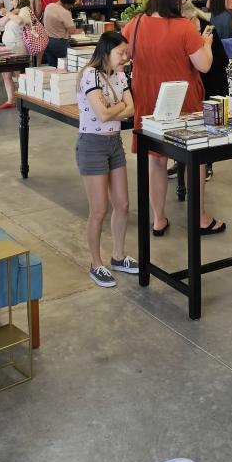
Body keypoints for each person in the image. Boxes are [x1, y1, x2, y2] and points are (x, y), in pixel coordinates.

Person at [122, 0, 225, 236]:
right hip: (183, 103)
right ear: (175, 1)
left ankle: (158, 219)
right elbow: (204, 65)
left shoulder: (135, 24)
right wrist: (206, 43)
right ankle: (199, 217)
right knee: (194, 160)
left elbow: (123, 56)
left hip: (148, 101)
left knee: (156, 160)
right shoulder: (184, 28)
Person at [75, 31, 138, 288]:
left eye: (126, 53)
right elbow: (102, 115)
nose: (125, 58)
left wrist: (117, 109)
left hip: (114, 143)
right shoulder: (90, 75)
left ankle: (118, 257)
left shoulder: (120, 75)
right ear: (105, 52)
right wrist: (120, 107)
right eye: (120, 53)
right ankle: (95, 263)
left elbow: (132, 109)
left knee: (122, 204)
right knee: (99, 210)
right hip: (92, 145)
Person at [0, 0, 33, 110]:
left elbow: (20, 21)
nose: (10, 2)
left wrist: (8, 13)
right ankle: (10, 100)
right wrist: (10, 13)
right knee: (6, 74)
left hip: (18, 46)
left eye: (12, 0)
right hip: (7, 46)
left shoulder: (25, 10)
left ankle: (25, 99)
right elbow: (0, 23)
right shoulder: (13, 10)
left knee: (19, 74)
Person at [42, 0, 77, 68]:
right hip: (60, 43)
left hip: (47, 41)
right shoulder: (65, 12)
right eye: (70, 5)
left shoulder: (49, 6)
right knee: (69, 66)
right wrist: (70, 16)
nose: (71, 7)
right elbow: (72, 31)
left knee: (52, 68)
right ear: (66, 4)